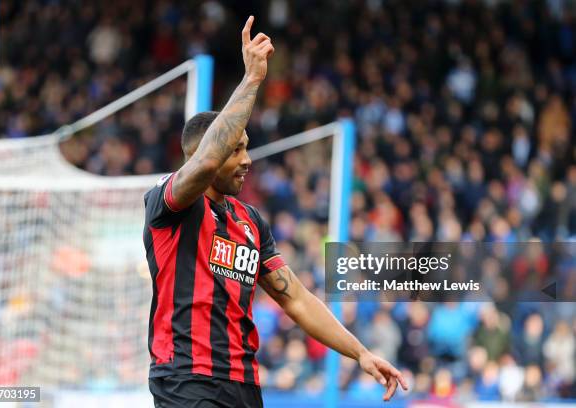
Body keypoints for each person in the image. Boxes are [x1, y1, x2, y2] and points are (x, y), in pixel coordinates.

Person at [143, 16, 408, 407]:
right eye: (236, 148)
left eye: (247, 146)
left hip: (244, 383)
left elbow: (296, 299)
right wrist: (251, 80)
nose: (248, 159)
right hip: (186, 379)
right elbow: (203, 164)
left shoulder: (249, 221)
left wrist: (360, 352)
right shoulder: (170, 204)